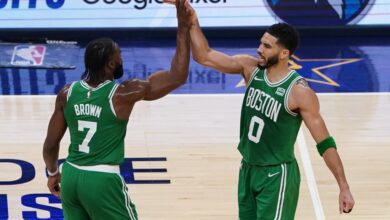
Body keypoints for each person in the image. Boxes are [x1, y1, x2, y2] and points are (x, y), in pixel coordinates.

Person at [170, 1, 355, 219]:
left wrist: (343, 186)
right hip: (248, 169)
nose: (260, 49)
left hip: (276, 175)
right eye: (261, 43)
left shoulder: (298, 92)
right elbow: (204, 55)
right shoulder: (250, 69)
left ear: (284, 53)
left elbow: (324, 142)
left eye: (267, 46)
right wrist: (192, 21)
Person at [42, 1, 190, 219]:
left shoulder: (67, 93)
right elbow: (177, 76)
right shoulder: (122, 94)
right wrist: (183, 25)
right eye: (119, 54)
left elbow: (50, 144)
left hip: (72, 174)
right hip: (101, 180)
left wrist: (54, 173)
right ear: (110, 64)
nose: (123, 57)